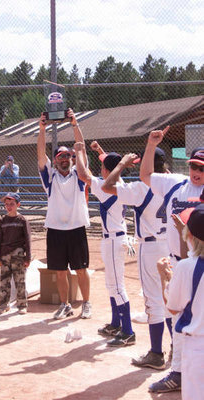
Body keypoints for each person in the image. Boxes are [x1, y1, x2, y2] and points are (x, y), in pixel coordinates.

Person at [140, 127, 204, 393]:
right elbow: (145, 175)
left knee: (187, 321)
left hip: (198, 263)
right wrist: (151, 145)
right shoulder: (175, 182)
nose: (197, 172)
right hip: (179, 262)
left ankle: (181, 372)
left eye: (202, 168)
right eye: (194, 166)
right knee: (178, 318)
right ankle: (178, 371)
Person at [102, 148, 172, 367]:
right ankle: (177, 351)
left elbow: (107, 186)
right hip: (172, 246)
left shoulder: (141, 188)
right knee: (171, 300)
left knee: (154, 302)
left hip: (150, 248)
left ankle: (156, 353)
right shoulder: (174, 182)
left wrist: (121, 164)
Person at [75, 141, 135, 346]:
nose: (100, 169)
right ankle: (116, 323)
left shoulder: (105, 187)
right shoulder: (121, 185)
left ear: (107, 170)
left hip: (113, 241)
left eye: (103, 166)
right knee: (112, 285)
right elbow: (111, 167)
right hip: (115, 238)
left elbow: (83, 175)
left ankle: (128, 331)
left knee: (117, 287)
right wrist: (100, 152)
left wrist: (79, 152)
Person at [37, 108, 91, 320]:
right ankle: (65, 304)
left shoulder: (79, 174)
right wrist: (42, 129)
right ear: (56, 160)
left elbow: (82, 149)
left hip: (76, 228)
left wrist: (75, 124)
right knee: (60, 271)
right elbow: (41, 154)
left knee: (81, 269)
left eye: (69, 156)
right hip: (56, 230)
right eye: (61, 156)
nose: (66, 159)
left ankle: (86, 303)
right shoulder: (49, 178)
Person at [157, 203, 204, 399]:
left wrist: (165, 278)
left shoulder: (186, 267)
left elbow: (173, 308)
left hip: (196, 348)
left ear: (190, 236)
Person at [0, 192, 31, 315]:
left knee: (20, 281)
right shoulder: (2, 221)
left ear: (18, 204)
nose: (9, 207)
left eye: (12, 204)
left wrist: (28, 258)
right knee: (4, 281)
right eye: (6, 204)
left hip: (19, 256)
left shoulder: (22, 220)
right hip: (5, 255)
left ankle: (22, 304)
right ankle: (3, 304)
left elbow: (27, 240)